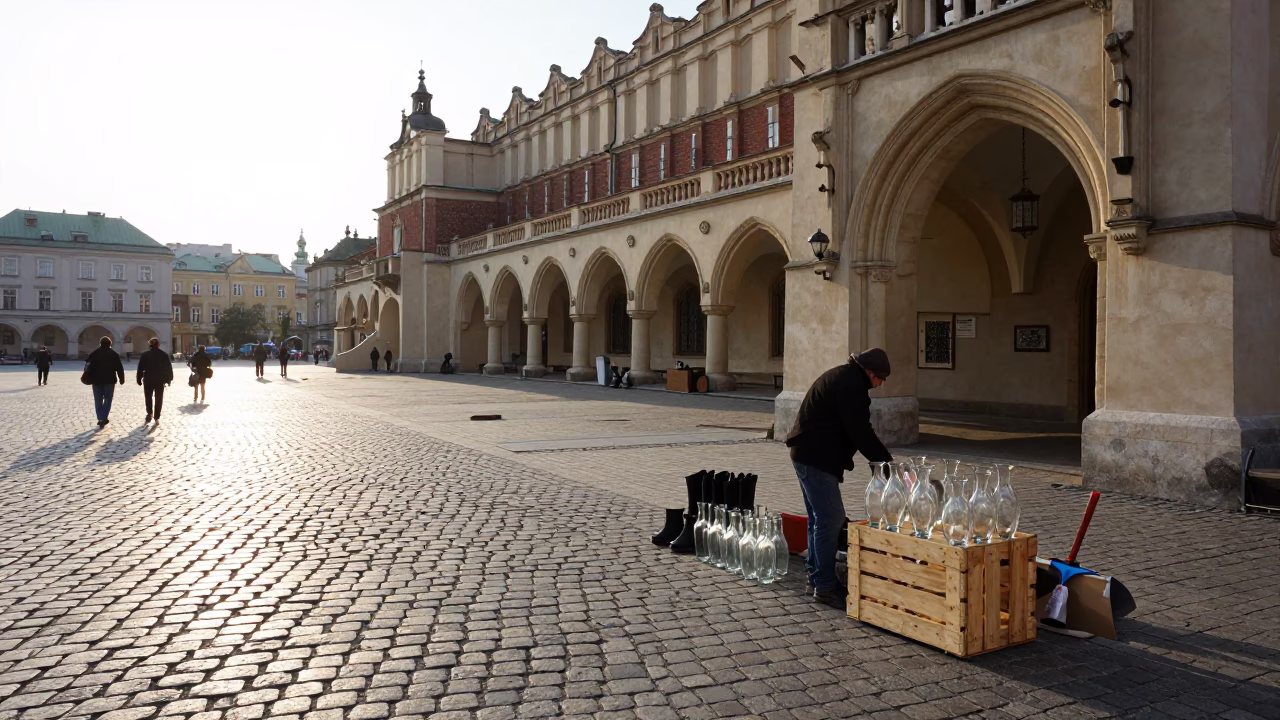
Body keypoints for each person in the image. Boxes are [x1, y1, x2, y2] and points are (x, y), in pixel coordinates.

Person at [785, 348, 894, 610]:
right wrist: (886, 465)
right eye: (880, 378)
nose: (879, 384)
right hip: (815, 457)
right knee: (831, 519)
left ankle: (816, 577)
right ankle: (824, 586)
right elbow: (860, 432)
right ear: (869, 373)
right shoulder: (851, 386)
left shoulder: (845, 377)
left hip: (808, 454)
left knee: (818, 519)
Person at [85, 336, 125, 428]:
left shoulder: (94, 353)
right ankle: (104, 418)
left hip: (96, 380)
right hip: (109, 380)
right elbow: (119, 368)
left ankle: (100, 418)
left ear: (100, 343)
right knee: (108, 399)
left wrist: (89, 377)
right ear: (110, 343)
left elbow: (87, 366)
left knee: (98, 399)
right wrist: (121, 379)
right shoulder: (114, 354)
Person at [136, 337, 174, 424]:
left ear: (149, 345)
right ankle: (157, 416)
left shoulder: (145, 355)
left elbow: (140, 368)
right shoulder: (163, 354)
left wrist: (139, 378)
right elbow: (168, 368)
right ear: (158, 344)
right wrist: (169, 379)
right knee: (159, 398)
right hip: (160, 379)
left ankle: (149, 413)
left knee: (148, 396)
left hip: (148, 379)